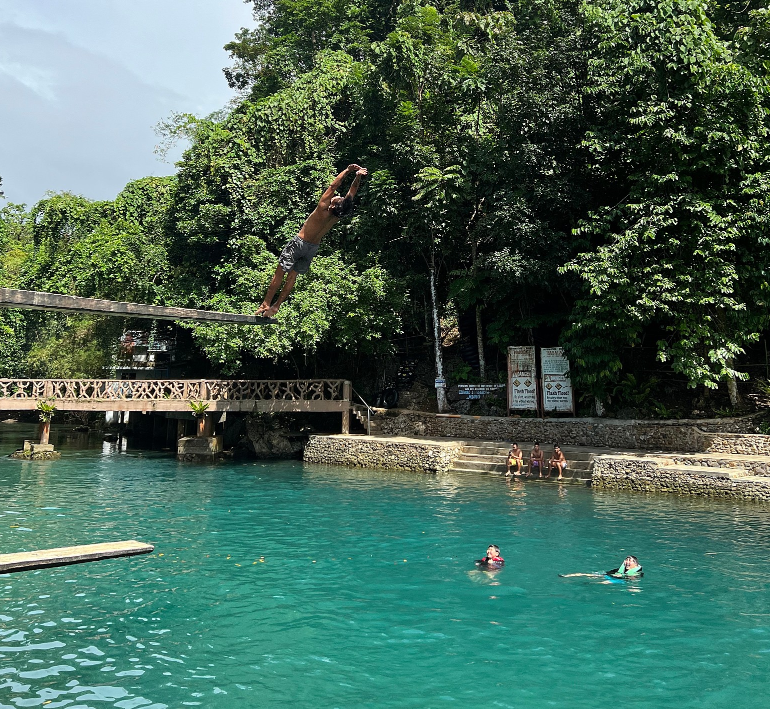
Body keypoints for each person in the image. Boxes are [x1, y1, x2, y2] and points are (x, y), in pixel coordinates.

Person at [256, 164, 368, 317]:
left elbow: (334, 185)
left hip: (299, 243)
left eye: (338, 197)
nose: (338, 195)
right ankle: (276, 307)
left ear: (333, 204)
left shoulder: (323, 207)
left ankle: (266, 303)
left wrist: (348, 171)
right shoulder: (337, 215)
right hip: (312, 248)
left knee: (280, 273)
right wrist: (358, 176)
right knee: (292, 277)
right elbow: (351, 193)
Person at [560, 555, 643, 579]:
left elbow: (633, 580)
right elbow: (608, 573)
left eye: (630, 560)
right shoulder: (618, 569)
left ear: (635, 564)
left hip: (618, 582)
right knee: (587, 574)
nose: (627, 561)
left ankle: (587, 584)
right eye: (626, 559)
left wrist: (622, 576)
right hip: (610, 577)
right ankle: (568, 576)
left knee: (603, 582)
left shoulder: (638, 573)